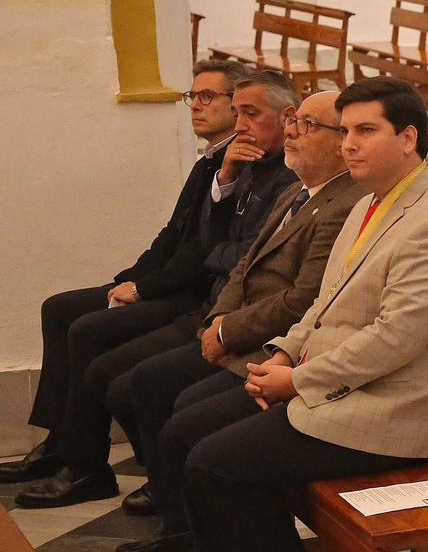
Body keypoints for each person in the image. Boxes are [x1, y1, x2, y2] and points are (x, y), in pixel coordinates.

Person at [151, 77, 428, 552]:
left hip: (391, 411)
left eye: (365, 130)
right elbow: (324, 303)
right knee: (187, 430)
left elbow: (394, 340)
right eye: (346, 131)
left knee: (218, 463)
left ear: (408, 138)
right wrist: (283, 354)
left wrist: (298, 382)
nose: (349, 143)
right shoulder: (370, 202)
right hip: (335, 385)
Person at [10, 70, 300, 508]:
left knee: (98, 346)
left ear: (285, 116)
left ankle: (110, 468)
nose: (197, 105)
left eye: (210, 97)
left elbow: (224, 254)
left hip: (202, 297)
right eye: (193, 95)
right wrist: (130, 278)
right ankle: (68, 446)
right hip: (211, 295)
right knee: (62, 311)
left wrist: (146, 288)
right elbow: (182, 235)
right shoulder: (227, 163)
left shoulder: (279, 174)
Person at [108, 90, 366, 552]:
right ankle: (183, 522)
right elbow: (244, 264)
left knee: (185, 415)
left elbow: (303, 300)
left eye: (307, 125)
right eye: (293, 121)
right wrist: (218, 322)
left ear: (340, 142)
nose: (292, 132)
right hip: (241, 330)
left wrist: (229, 333)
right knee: (147, 383)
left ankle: (200, 537)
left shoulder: (345, 204)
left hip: (273, 345)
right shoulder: (296, 190)